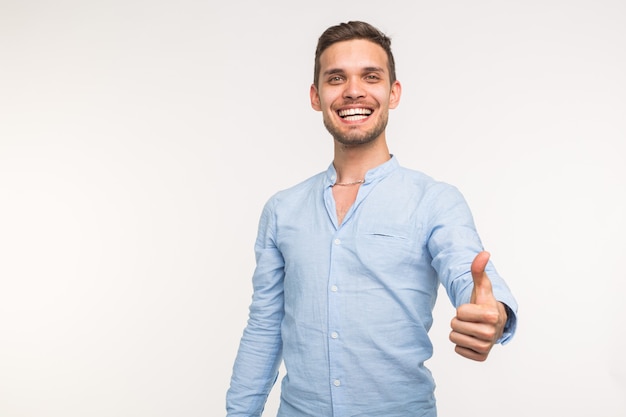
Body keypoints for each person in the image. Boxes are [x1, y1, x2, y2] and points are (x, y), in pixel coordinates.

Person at [226, 20, 518, 417]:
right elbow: (264, 327)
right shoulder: (282, 209)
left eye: (371, 76)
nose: (353, 91)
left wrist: (494, 315)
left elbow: (470, 277)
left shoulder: (434, 201)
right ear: (316, 97)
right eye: (335, 78)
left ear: (393, 92)